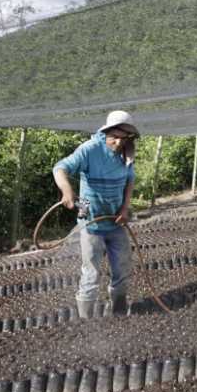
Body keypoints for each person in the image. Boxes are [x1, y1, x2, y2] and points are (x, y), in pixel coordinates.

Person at [53, 110, 139, 318]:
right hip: (90, 220)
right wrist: (67, 191)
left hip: (116, 221)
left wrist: (125, 208)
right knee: (91, 273)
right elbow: (60, 168)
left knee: (122, 268)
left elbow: (129, 181)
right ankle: (86, 322)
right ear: (106, 132)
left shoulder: (128, 153)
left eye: (123, 138)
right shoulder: (90, 149)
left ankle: (118, 312)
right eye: (114, 137)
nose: (118, 142)